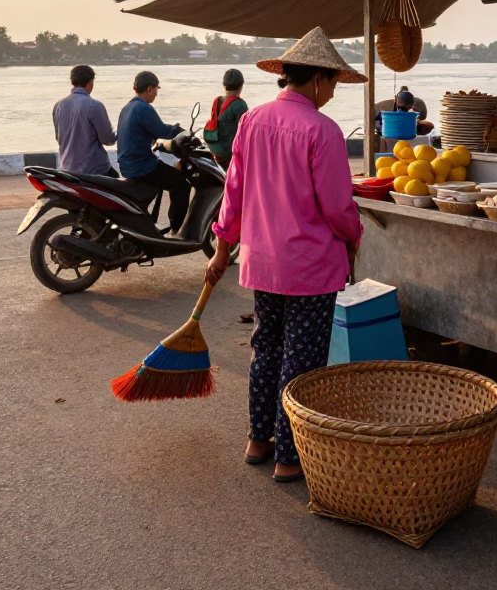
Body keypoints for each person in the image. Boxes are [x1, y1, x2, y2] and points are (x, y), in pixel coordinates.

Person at [204, 27, 365, 483]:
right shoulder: (323, 131)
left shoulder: (252, 121)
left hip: (263, 262)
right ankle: (289, 457)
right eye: (333, 82)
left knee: (267, 348)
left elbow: (232, 195)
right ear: (317, 79)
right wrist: (354, 237)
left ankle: (259, 438)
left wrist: (222, 249)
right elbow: (337, 207)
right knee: (302, 359)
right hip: (311, 268)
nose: (333, 91)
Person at [117, 71, 188, 233]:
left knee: (163, 174)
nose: (156, 93)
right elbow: (163, 130)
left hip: (127, 165)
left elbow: (147, 132)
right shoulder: (144, 108)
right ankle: (177, 229)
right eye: (156, 89)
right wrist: (181, 132)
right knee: (181, 183)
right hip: (141, 166)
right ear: (149, 89)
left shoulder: (127, 107)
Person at [52, 64, 117, 176]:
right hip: (93, 169)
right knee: (119, 185)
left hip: (66, 168)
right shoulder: (95, 105)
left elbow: (59, 138)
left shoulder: (58, 105)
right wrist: (120, 131)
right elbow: (107, 139)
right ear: (90, 82)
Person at [203, 68, 248, 169]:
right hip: (228, 151)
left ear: (224, 85)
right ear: (241, 86)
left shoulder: (217, 100)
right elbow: (245, 132)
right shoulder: (240, 105)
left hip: (214, 147)